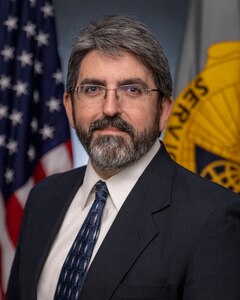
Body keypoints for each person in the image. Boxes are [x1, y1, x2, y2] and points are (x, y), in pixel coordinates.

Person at [6, 15, 240, 300]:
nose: (109, 108)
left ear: (163, 110)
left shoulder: (212, 218)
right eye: (92, 89)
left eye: (132, 90)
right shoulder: (43, 197)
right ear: (69, 107)